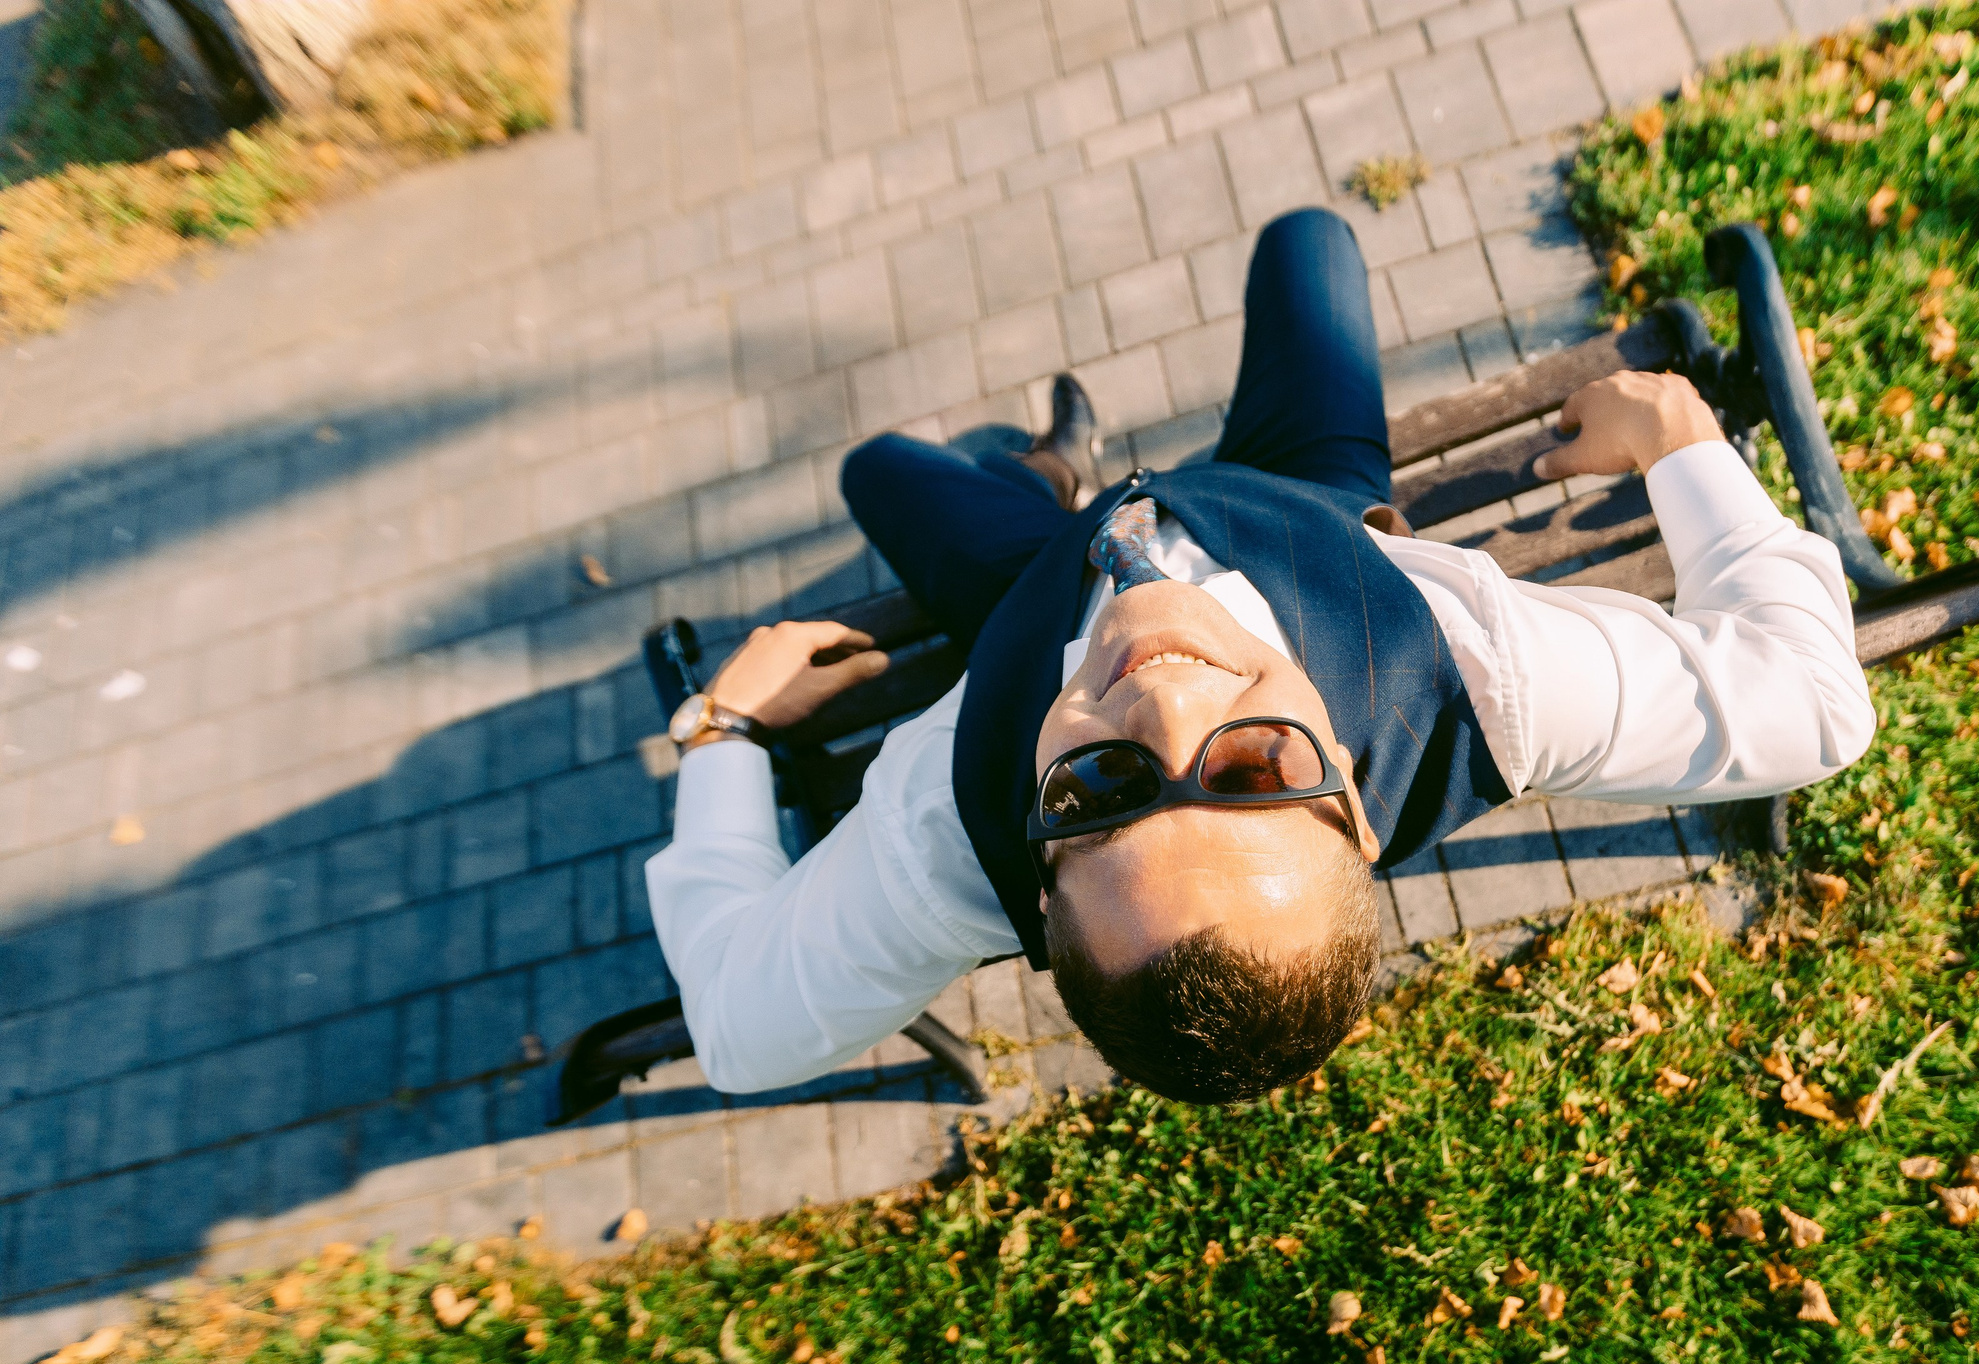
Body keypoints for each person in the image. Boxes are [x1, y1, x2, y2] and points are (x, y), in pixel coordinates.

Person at [645, 208, 1874, 1105]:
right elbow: (1814, 704)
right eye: (1249, 772)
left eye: (1099, 793)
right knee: (1309, 243)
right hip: (1306, 504)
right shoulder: (1485, 674)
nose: (1161, 702)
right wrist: (1681, 441)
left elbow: (740, 1032)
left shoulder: (938, 840)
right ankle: (1061, 478)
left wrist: (722, 732)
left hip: (1035, 589)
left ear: (1030, 876)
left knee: (881, 471)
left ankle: (1049, 486)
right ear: (1344, 785)